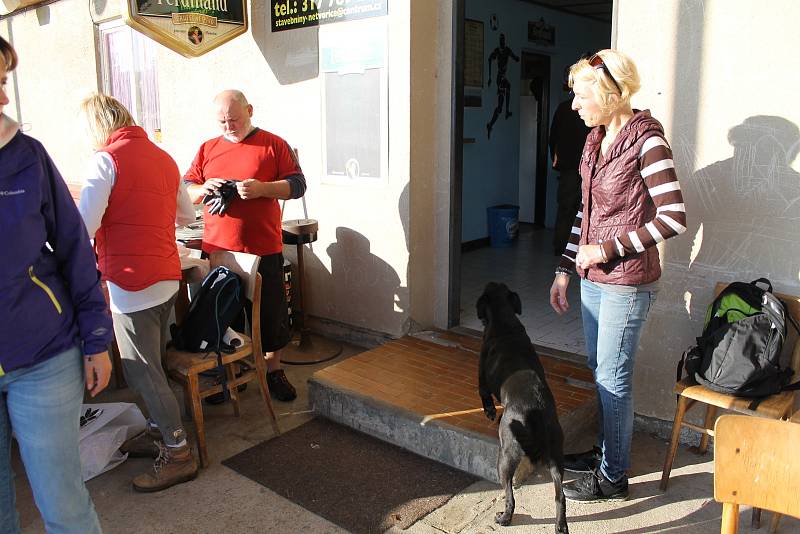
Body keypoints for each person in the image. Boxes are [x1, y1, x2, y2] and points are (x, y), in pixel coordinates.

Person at [549, 49, 687, 502]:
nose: (573, 105)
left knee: (614, 377)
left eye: (580, 94)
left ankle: (613, 476)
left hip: (628, 284)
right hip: (592, 282)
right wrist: (566, 269)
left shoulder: (648, 141)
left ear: (610, 91)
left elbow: (673, 216)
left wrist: (606, 249)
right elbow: (584, 214)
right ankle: (607, 454)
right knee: (602, 372)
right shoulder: (594, 141)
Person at [0, 37, 112, 533]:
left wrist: (96, 341)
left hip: (43, 356)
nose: (5, 98)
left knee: (63, 504)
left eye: (3, 81)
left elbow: (73, 247)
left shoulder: (26, 156)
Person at [78, 94, 198, 492]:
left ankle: (178, 452)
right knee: (154, 367)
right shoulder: (163, 158)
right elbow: (187, 216)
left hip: (130, 283)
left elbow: (83, 227)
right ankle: (158, 432)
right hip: (165, 276)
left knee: (143, 373)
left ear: (97, 126)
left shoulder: (105, 160)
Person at [184, 90, 306, 402]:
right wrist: (203, 188)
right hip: (219, 248)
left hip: (262, 246)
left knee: (270, 312)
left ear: (250, 110)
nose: (228, 126)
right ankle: (232, 373)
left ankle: (274, 370)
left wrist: (263, 189)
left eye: (234, 119)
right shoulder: (207, 148)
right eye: (222, 121)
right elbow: (186, 189)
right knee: (223, 314)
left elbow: (297, 185)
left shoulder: (272, 144)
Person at [549, 75, 590, 256]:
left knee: (566, 209)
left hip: (569, 168)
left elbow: (553, 138)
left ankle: (562, 247)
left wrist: (556, 160)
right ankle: (578, 248)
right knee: (585, 209)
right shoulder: (589, 111)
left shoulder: (563, 108)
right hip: (588, 167)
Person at [486, 33, 519, 139]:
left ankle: (492, 122)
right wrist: (490, 77)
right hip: (500, 77)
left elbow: (515, 57)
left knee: (499, 107)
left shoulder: (507, 50)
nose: (502, 41)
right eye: (501, 39)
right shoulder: (498, 51)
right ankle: (506, 111)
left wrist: (517, 58)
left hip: (502, 77)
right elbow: (489, 59)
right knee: (507, 87)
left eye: (503, 39)